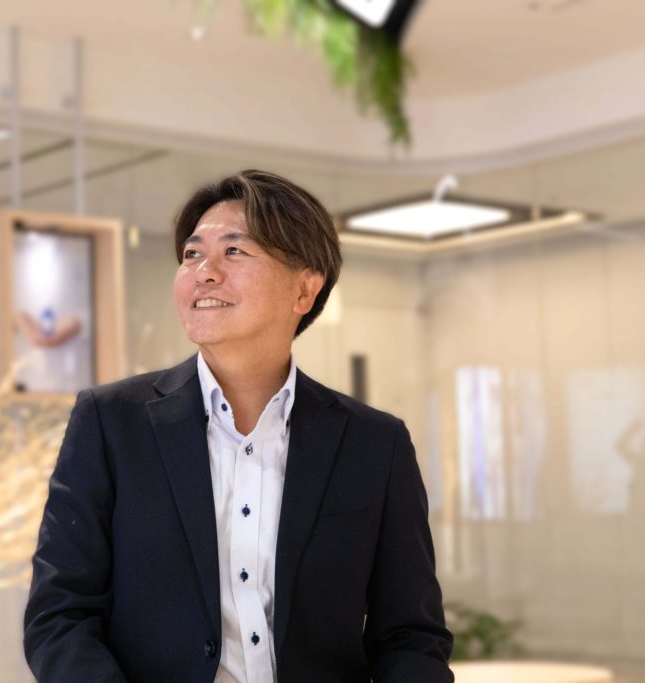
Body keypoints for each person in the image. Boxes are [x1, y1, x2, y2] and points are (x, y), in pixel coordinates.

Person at [23, 170, 453, 682]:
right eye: (192, 254)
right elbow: (60, 616)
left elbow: (409, 638)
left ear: (305, 289)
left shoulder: (374, 444)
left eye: (234, 251)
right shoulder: (110, 423)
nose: (203, 272)